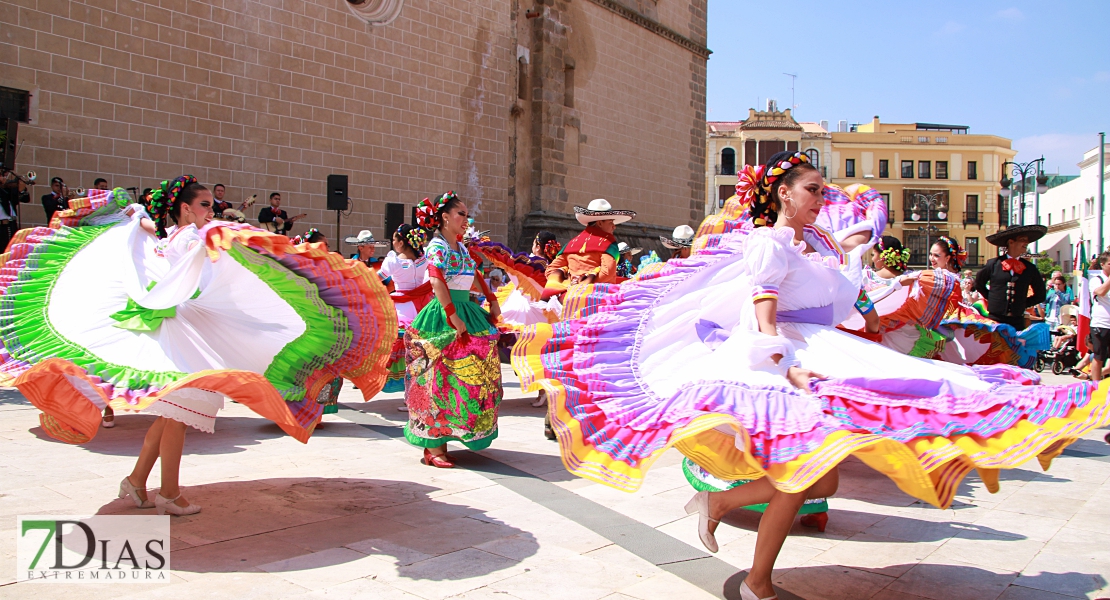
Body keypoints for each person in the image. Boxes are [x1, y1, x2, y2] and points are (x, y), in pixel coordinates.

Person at [514, 150, 1109, 600]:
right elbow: (765, 314)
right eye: (813, 189)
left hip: (819, 351)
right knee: (806, 474)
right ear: (782, 196)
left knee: (821, 471)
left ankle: (724, 519)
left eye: (822, 189)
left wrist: (854, 254)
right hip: (786, 361)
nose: (822, 197)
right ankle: (754, 576)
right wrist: (790, 372)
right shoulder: (771, 246)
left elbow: (844, 301)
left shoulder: (810, 246)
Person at [1, 176, 396, 516]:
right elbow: (181, 276)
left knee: (173, 413)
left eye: (212, 204)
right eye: (205, 204)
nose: (211, 210)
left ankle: (138, 482)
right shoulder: (189, 236)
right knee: (180, 410)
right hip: (177, 333)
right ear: (186, 209)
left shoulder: (181, 236)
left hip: (184, 326)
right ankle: (168, 494)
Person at [404, 192, 502, 467]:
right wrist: (451, 315)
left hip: (466, 312)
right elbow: (436, 280)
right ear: (445, 217)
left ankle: (460, 429)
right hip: (444, 314)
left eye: (467, 215)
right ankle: (434, 447)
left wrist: (492, 301)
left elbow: (475, 273)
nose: (466, 220)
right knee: (437, 377)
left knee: (473, 377)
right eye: (461, 214)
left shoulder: (459, 248)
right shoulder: (437, 246)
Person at [542, 198, 635, 299]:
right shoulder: (608, 243)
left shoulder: (571, 244)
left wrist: (570, 283)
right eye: (610, 222)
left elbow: (550, 270)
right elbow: (607, 273)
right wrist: (585, 283)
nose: (614, 226)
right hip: (598, 299)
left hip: (569, 299)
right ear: (600, 223)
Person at [378, 224, 432, 396]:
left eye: (394, 239)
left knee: (400, 349)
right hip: (423, 307)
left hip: (402, 308)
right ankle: (417, 393)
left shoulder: (394, 261)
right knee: (420, 351)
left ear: (401, 243)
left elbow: (376, 279)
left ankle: (409, 394)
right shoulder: (423, 260)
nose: (393, 242)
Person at [974, 225, 1048, 331]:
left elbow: (1040, 295)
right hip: (995, 320)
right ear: (1011, 242)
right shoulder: (994, 264)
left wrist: (1022, 304)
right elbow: (978, 283)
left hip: (1017, 321)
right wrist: (992, 299)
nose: (1026, 243)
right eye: (1022, 240)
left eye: (1027, 241)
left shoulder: (1030, 268)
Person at [1089, 251, 1110, 384]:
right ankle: (1095, 386)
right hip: (1101, 324)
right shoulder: (1097, 280)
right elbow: (1101, 292)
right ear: (1102, 265)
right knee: (1099, 356)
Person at [0, 169, 30, 252]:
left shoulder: (8, 188)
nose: (5, 177)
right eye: (2, 175)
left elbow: (25, 199)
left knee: (11, 250)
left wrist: (21, 190)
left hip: (11, 223)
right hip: (1, 225)